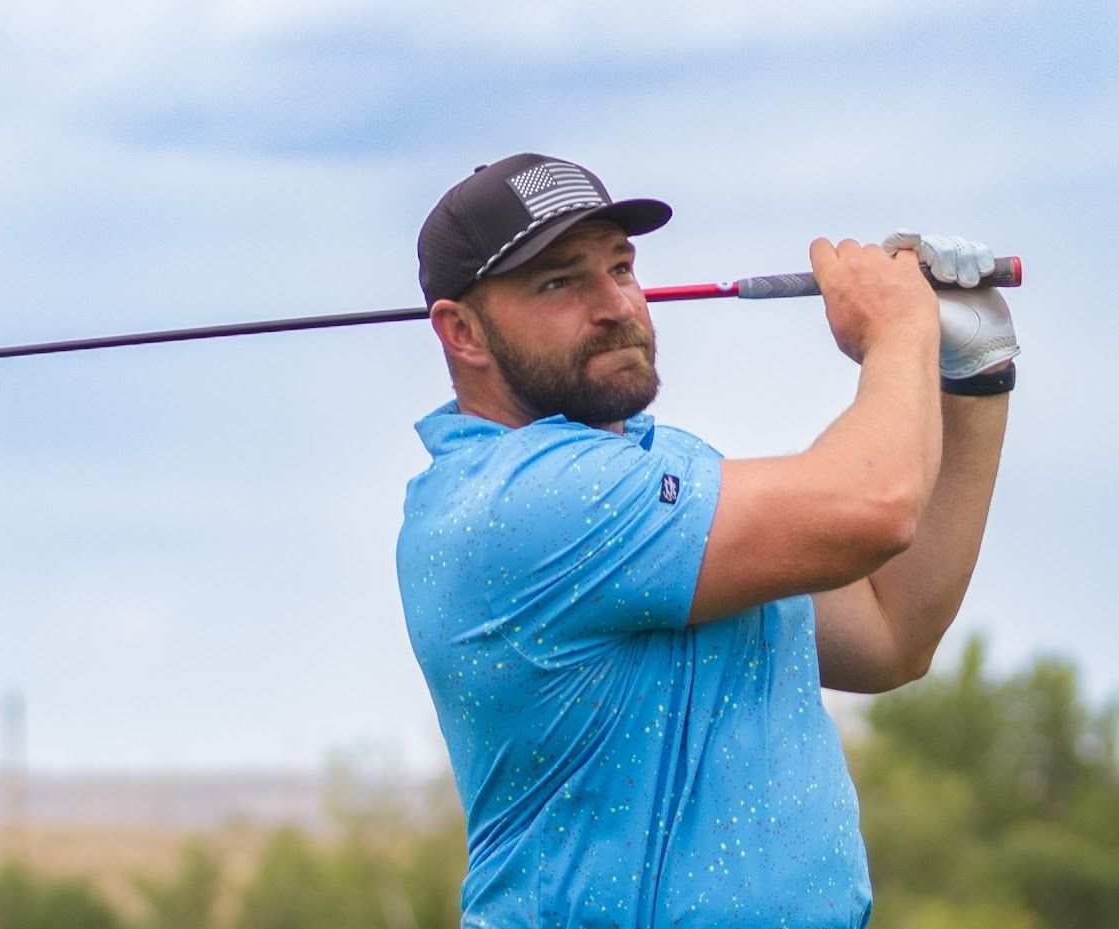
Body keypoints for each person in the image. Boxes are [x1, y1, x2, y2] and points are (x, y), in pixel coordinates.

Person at [395, 153, 1017, 928]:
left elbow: (892, 630)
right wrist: (900, 331)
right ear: (462, 332)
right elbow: (877, 504)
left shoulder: (670, 464)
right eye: (560, 281)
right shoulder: (517, 499)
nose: (615, 304)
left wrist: (972, 378)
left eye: (620, 267)